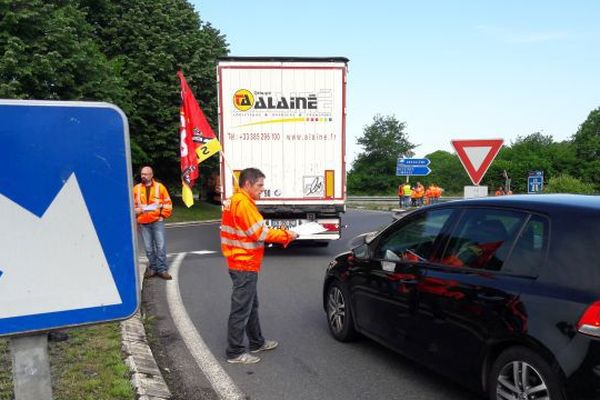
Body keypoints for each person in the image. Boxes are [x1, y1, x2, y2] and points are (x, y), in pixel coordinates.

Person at [220, 168, 299, 364]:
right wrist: (288, 235)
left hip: (241, 262)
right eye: (260, 185)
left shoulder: (236, 200)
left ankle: (256, 342)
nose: (263, 189)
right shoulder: (244, 204)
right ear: (247, 184)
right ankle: (235, 352)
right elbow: (260, 233)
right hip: (243, 263)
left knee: (251, 306)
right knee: (242, 309)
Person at [133, 166, 173, 280]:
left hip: (157, 221)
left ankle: (162, 269)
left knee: (160, 247)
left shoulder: (160, 187)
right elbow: (132, 205)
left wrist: (162, 215)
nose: (143, 176)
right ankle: (153, 268)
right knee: (149, 248)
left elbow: (168, 203)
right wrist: (135, 211)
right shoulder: (136, 189)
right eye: (142, 174)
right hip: (143, 222)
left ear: (151, 175)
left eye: (146, 174)